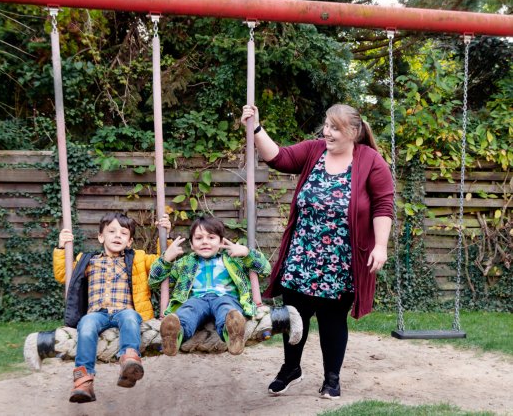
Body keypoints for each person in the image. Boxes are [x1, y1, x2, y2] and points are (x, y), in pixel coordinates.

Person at [240, 104, 394, 400]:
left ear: (353, 132)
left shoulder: (371, 162)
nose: (327, 132)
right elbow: (279, 157)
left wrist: (380, 245)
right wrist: (257, 128)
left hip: (342, 260)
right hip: (302, 255)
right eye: (326, 125)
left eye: (335, 128)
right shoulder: (314, 151)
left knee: (332, 319)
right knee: (295, 314)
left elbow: (383, 206)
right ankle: (290, 369)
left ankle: (331, 379)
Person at [53, 212, 171, 403]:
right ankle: (83, 381)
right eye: (112, 231)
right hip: (97, 313)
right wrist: (61, 247)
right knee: (86, 324)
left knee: (131, 317)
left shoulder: (138, 258)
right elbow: (62, 274)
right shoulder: (87, 260)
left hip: (124, 311)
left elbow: (162, 262)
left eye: (123, 233)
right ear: (101, 237)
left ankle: (129, 360)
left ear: (130, 241)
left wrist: (165, 236)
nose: (118, 236)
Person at [148, 216, 271, 356]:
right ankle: (174, 336)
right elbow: (154, 282)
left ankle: (232, 334)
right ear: (192, 244)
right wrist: (166, 259)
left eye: (211, 237)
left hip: (226, 297)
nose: (205, 242)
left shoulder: (233, 260)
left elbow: (265, 269)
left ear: (221, 241)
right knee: (188, 311)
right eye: (199, 238)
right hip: (196, 300)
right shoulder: (185, 263)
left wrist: (247, 253)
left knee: (228, 311)